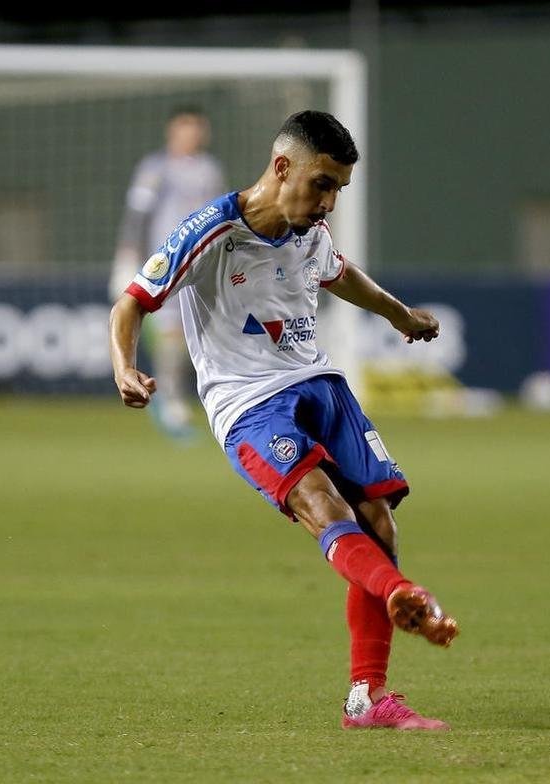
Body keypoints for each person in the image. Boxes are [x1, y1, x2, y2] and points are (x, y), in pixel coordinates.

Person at [109, 110, 459, 730]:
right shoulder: (211, 230)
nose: (328, 201)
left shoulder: (309, 229)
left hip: (319, 384)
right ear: (282, 168)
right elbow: (131, 303)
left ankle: (368, 698)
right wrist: (124, 366)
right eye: (322, 184)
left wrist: (399, 315)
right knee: (322, 504)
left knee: (378, 523)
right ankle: (404, 595)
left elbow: (340, 274)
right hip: (248, 403)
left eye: (338, 190)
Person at [109, 105, 225, 442]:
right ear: (172, 132)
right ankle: (170, 400)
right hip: (165, 262)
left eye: (197, 129)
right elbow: (137, 215)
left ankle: (202, 396)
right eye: (185, 129)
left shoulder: (209, 169)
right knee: (172, 335)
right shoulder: (155, 168)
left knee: (202, 334)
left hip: (203, 263)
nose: (192, 136)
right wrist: (127, 257)